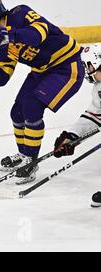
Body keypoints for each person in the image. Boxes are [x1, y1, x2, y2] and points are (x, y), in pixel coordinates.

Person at [0, 0, 84, 184]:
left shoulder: (21, 13)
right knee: (17, 111)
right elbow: (2, 75)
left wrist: (10, 35)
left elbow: (39, 33)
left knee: (32, 106)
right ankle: (24, 154)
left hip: (66, 67)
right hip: (41, 71)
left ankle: (31, 161)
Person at [53, 44, 101, 207]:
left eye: (89, 65)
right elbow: (95, 115)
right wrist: (72, 136)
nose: (87, 71)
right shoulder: (99, 89)